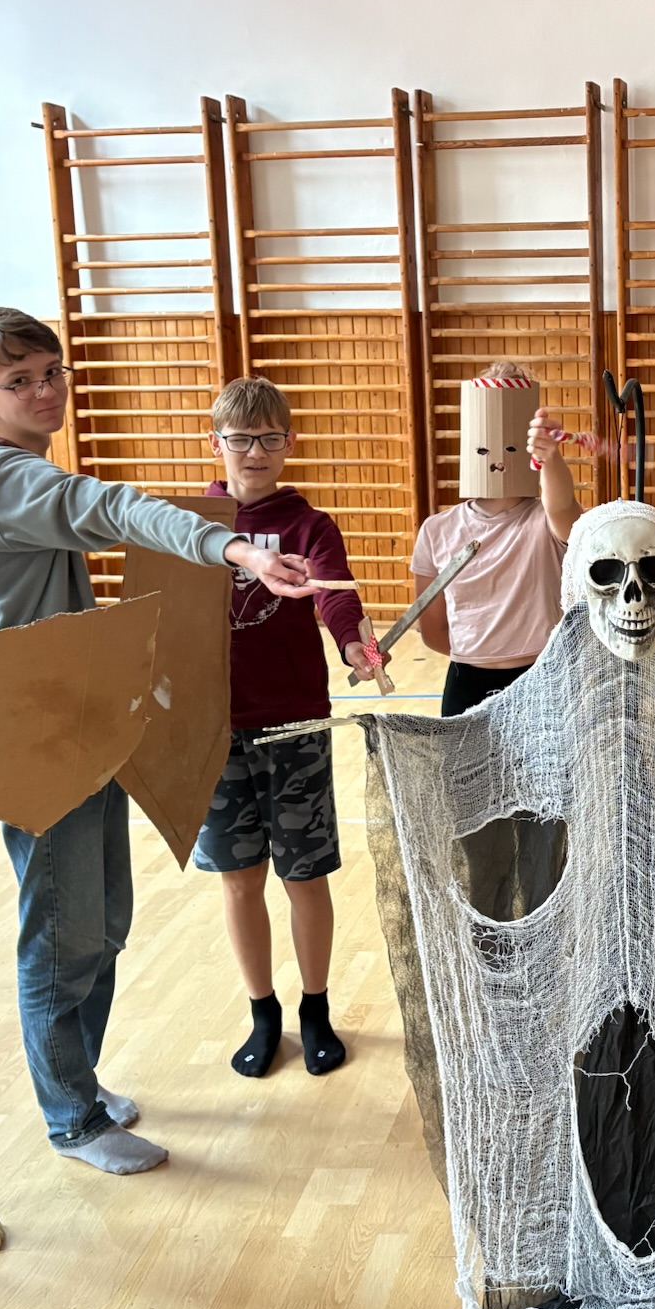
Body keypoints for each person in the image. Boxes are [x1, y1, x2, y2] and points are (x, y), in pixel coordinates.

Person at [0, 307, 315, 1175]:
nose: (45, 392)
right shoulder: (6, 480)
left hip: (72, 723)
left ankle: (82, 1087)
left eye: (51, 373)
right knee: (65, 933)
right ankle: (71, 1117)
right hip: (41, 736)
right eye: (20, 381)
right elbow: (112, 508)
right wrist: (238, 550)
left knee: (100, 921)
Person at [198, 377, 379, 1078]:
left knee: (305, 876)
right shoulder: (191, 523)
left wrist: (354, 645)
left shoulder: (311, 526)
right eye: (241, 439)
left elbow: (336, 598)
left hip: (294, 725)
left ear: (289, 442)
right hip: (214, 731)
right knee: (239, 880)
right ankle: (262, 1011)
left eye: (270, 438)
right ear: (215, 442)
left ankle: (315, 1007)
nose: (256, 452)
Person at [412, 363, 582, 716]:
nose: (499, 461)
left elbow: (564, 508)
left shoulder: (546, 520)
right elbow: (432, 629)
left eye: (511, 447)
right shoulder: (436, 530)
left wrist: (551, 459)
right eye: (484, 449)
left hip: (541, 678)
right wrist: (480, 654)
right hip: (466, 682)